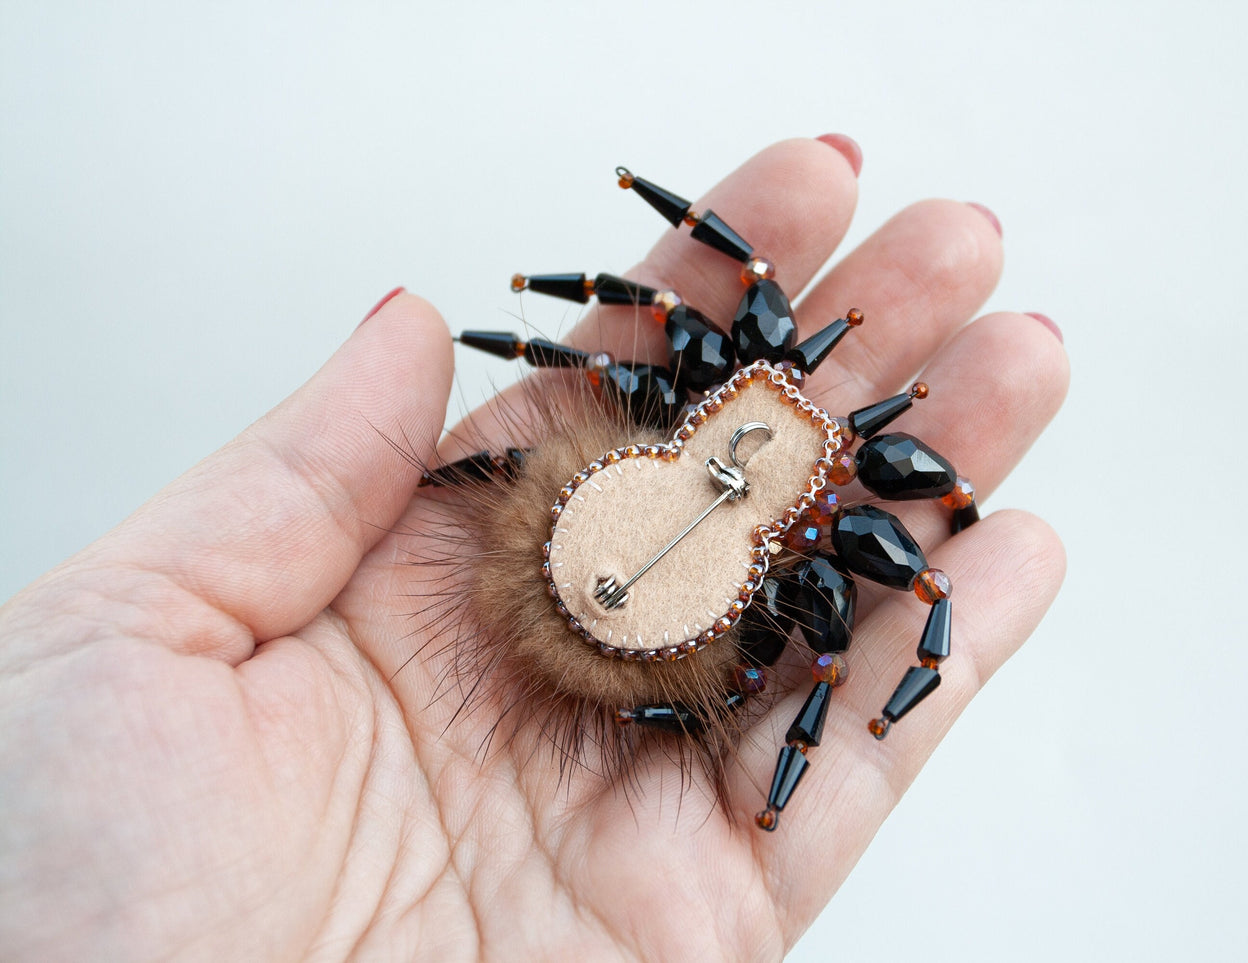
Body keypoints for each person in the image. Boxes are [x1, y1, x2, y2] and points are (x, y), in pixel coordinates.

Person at [0, 135, 1069, 959]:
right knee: (649, 341)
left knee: (825, 649)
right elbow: (666, 296)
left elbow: (903, 601)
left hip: (698, 570)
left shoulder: (827, 517)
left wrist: (940, 566)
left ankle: (779, 719)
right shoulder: (711, 381)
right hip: (635, 525)